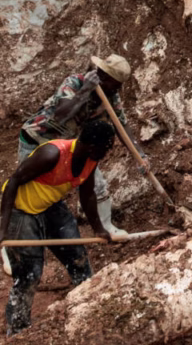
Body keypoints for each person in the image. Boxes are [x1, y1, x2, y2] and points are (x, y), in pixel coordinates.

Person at [1, 120, 117, 336]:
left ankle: (89, 305)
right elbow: (14, 181)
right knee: (29, 273)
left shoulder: (90, 160)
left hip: (50, 205)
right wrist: (3, 228)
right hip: (21, 210)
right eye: (106, 147)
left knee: (77, 257)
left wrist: (99, 228)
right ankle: (17, 331)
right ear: (92, 145)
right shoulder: (52, 154)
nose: (107, 152)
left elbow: (87, 193)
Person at [17, 55, 143, 238]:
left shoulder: (111, 96)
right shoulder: (75, 82)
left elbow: (121, 125)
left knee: (97, 184)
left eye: (119, 86)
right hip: (38, 140)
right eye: (115, 84)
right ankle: (13, 236)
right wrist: (86, 90)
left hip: (70, 145)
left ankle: (105, 226)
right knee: (28, 187)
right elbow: (61, 114)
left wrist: (139, 154)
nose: (118, 89)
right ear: (102, 76)